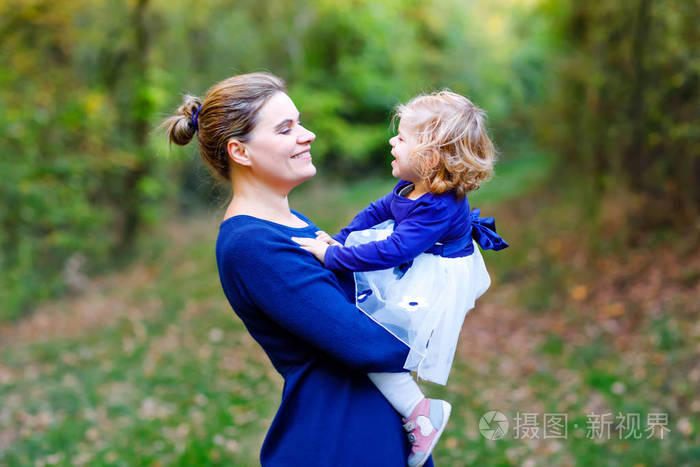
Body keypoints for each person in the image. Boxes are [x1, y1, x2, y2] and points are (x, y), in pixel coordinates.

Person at [162, 72, 437, 467]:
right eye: (286, 128)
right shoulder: (250, 244)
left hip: (376, 427)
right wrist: (435, 322)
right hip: (339, 440)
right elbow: (365, 344)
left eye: (300, 122)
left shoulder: (292, 222)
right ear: (240, 152)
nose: (307, 135)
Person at [294, 90, 508, 466]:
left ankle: (421, 413)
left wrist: (335, 257)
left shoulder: (439, 205)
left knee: (379, 336)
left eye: (403, 138)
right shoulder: (413, 188)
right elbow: (377, 211)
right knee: (369, 330)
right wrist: (341, 239)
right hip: (418, 261)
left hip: (436, 277)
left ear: (431, 155)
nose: (393, 140)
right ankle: (416, 409)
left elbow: (395, 250)